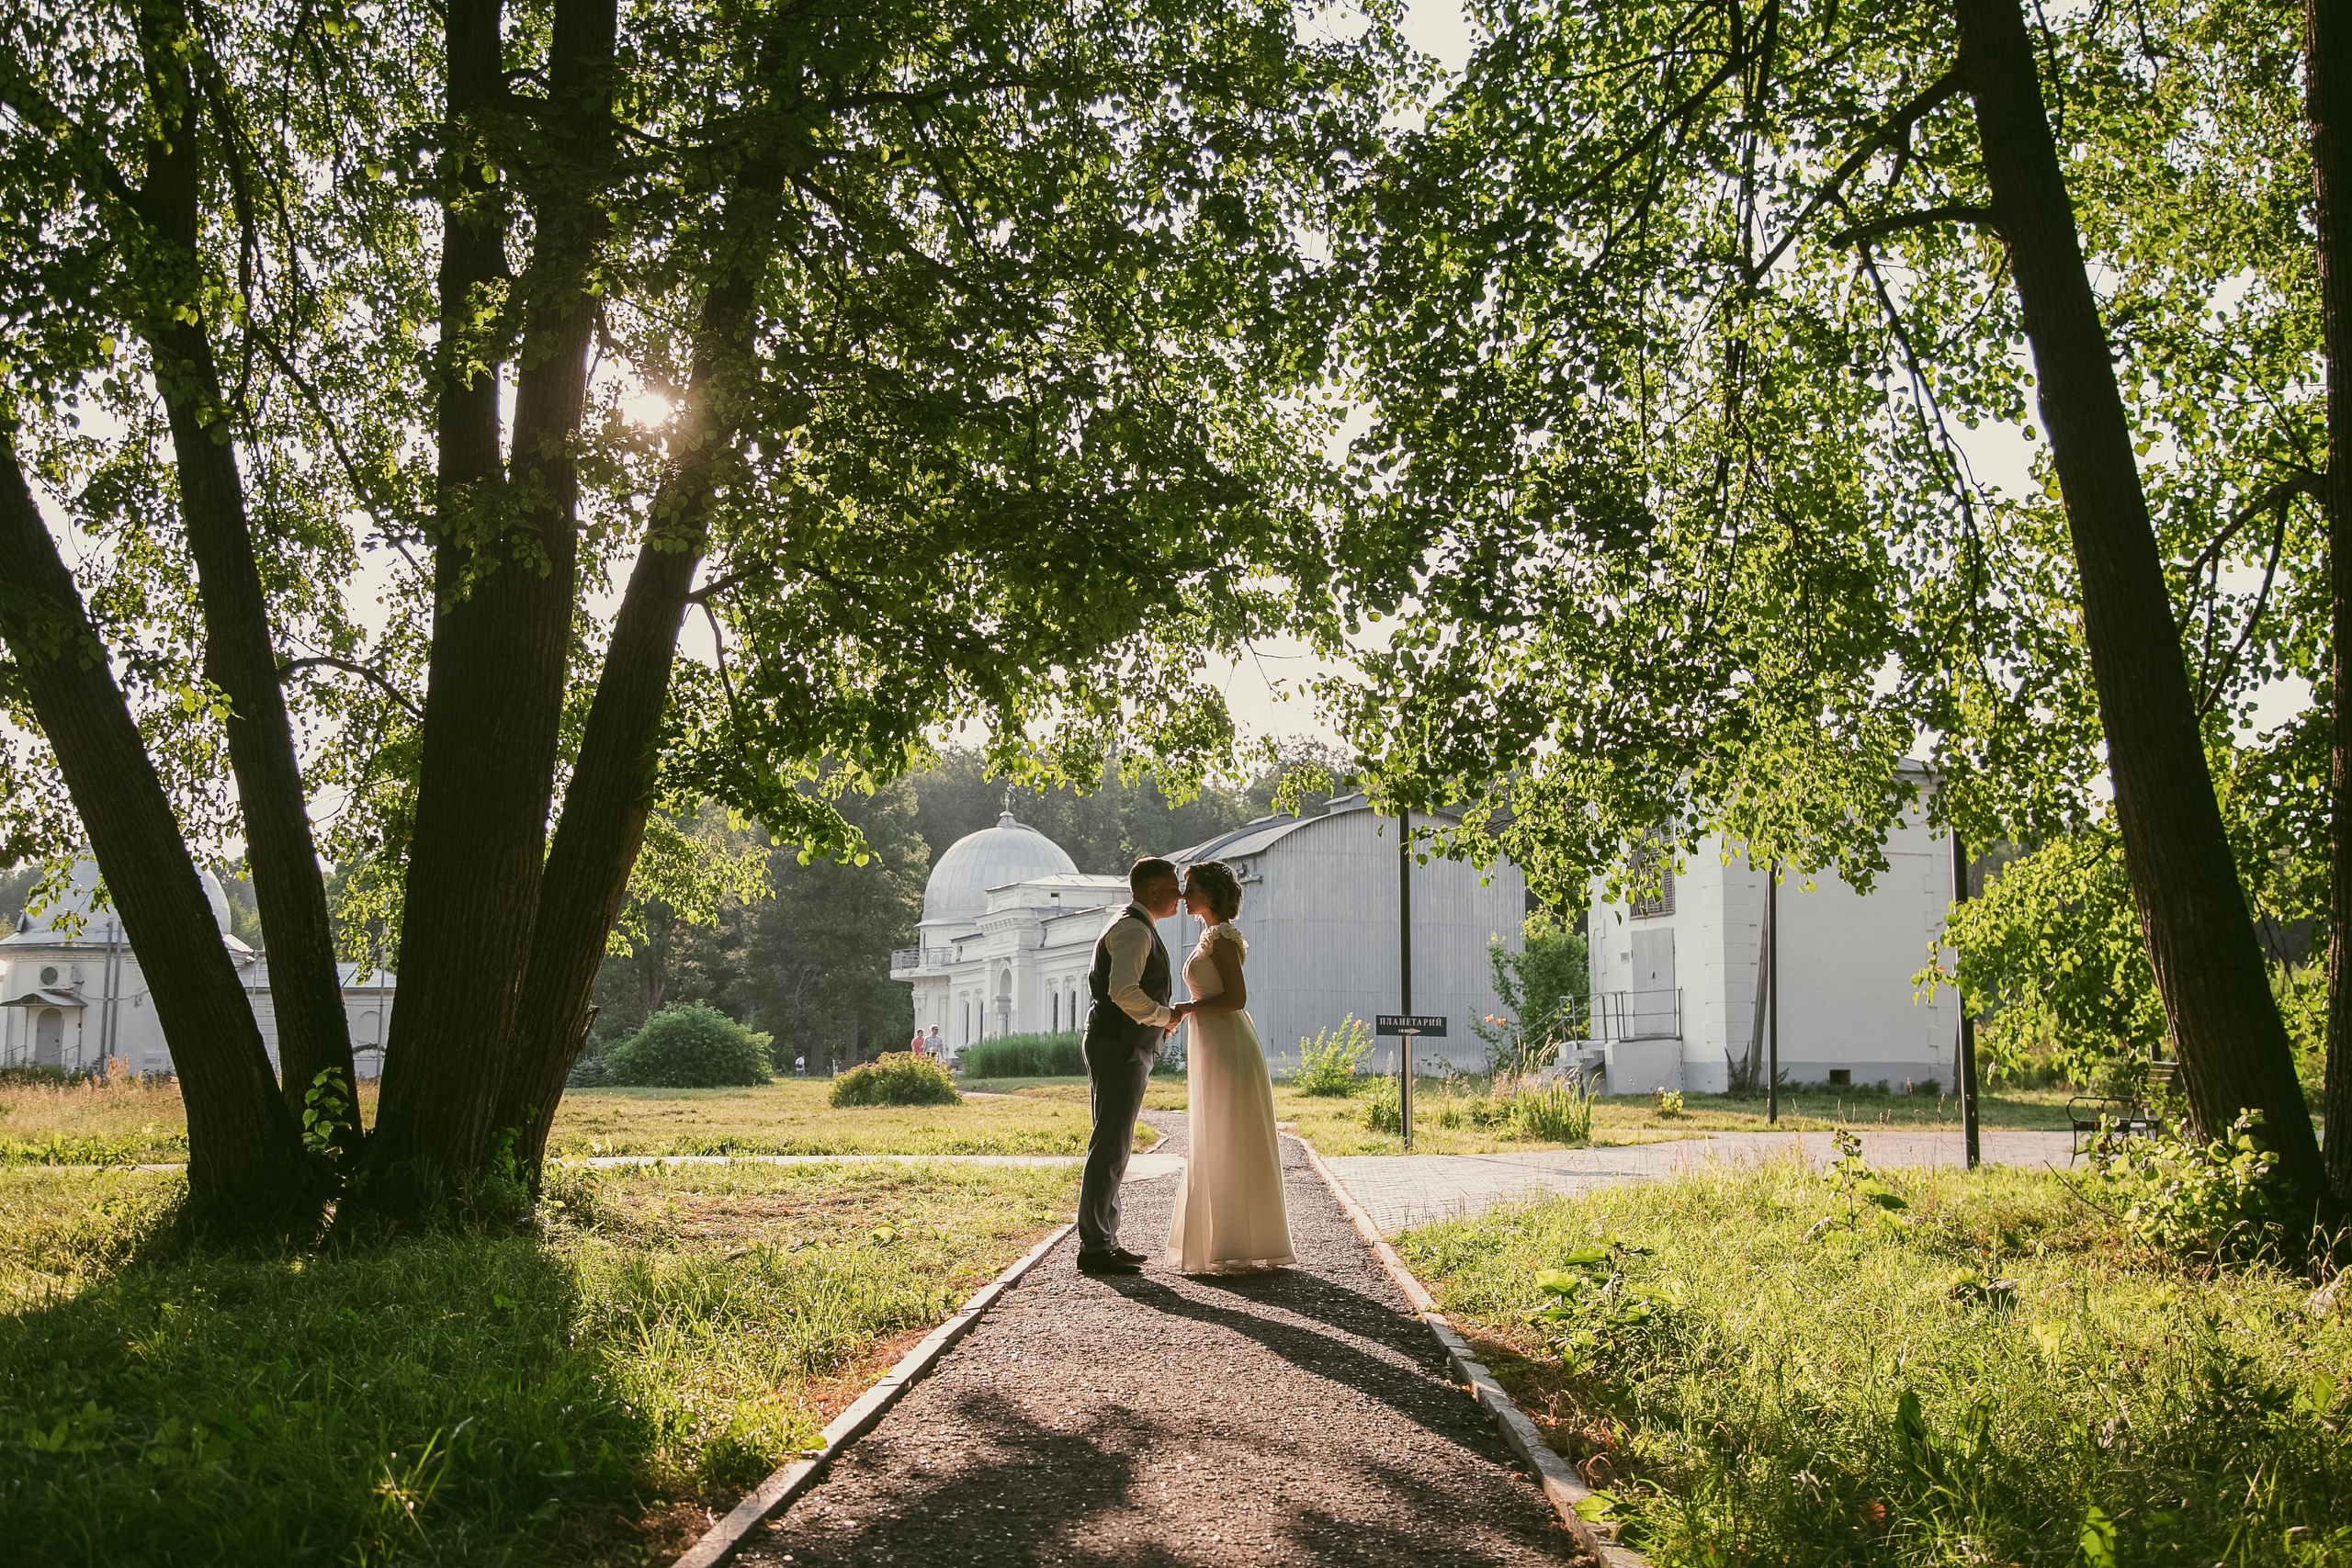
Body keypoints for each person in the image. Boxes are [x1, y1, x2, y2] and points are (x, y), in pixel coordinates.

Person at [1164, 859, 1292, 1274]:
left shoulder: (1220, 940)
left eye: (1191, 888)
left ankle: (1236, 1241)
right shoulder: (1208, 937)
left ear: (1211, 896)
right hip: (1213, 1042)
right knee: (1215, 1135)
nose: (1183, 896)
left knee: (1229, 1135)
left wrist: (1186, 1007)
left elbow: (1236, 999)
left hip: (1229, 1043)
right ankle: (1224, 1238)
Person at [1075, 856, 1182, 1275]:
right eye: (1173, 887)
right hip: (1118, 1045)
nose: (1179, 895)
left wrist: (1157, 1021)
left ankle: (1104, 1238)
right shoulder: (1134, 930)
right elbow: (1123, 992)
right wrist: (1164, 1016)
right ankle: (1095, 1247)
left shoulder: (1133, 925)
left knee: (1114, 1141)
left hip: (1118, 1042)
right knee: (1111, 1143)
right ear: (1152, 891)